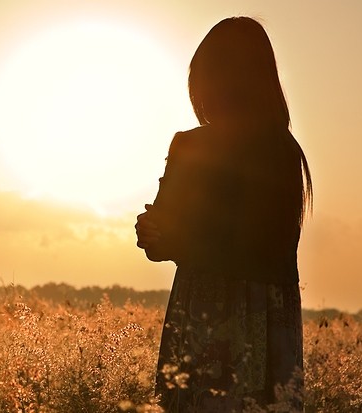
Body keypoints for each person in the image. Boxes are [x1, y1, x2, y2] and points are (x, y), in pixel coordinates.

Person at [135, 17, 313, 411]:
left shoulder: (277, 150)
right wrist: (151, 232)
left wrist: (166, 237)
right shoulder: (276, 149)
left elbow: (255, 247)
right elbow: (168, 234)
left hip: (217, 314)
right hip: (253, 319)